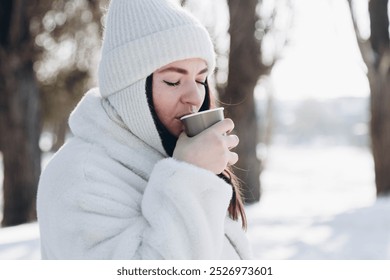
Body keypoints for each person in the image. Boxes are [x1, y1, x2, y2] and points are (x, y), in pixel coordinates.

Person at [37, 0, 252, 259]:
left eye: (200, 79)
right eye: (173, 81)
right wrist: (189, 177)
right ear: (131, 91)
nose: (195, 96)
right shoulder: (80, 178)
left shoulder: (167, 155)